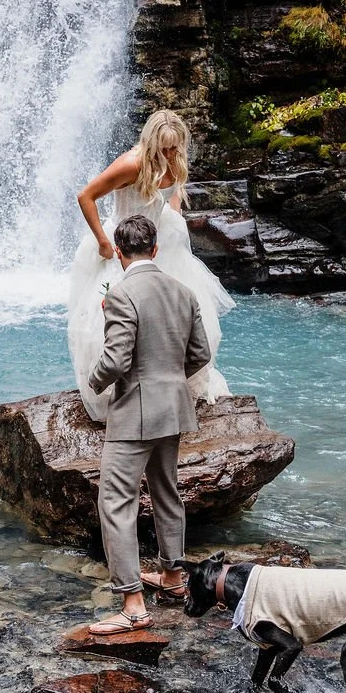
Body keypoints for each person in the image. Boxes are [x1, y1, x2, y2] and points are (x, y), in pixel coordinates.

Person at [86, 213, 211, 634]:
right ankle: (174, 577)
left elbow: (117, 359)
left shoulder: (122, 294)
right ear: (154, 249)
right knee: (166, 490)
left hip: (135, 411)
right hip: (173, 408)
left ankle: (133, 603)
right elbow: (201, 354)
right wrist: (170, 380)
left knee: (116, 502)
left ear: (120, 253)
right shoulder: (183, 291)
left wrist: (93, 379)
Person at [68, 109, 233, 422]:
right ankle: (119, 395)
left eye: (175, 148)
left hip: (161, 243)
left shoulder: (175, 158)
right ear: (151, 141)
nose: (171, 154)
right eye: (165, 148)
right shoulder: (132, 163)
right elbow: (86, 195)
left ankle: (174, 387)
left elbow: (174, 190)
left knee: (188, 316)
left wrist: (172, 214)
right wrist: (104, 242)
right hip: (126, 245)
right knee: (114, 322)